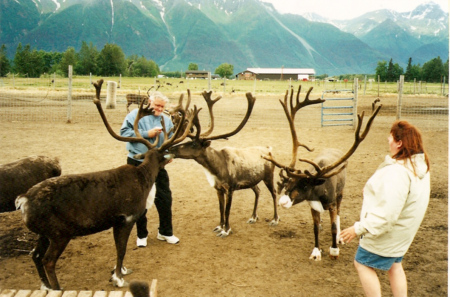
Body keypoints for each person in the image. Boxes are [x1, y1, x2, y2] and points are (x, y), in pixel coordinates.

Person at [340, 120, 430, 297]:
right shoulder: (419, 167)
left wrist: (357, 229)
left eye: (390, 137)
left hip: (388, 233)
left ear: (399, 142)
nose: (387, 140)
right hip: (403, 233)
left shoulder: (398, 173)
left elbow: (387, 214)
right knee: (395, 265)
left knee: (362, 263)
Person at [120, 91, 179, 246]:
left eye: (162, 106)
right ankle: (142, 235)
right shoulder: (135, 115)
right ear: (149, 102)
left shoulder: (166, 120)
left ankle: (165, 232)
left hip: (157, 164)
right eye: (157, 105)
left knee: (164, 197)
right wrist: (147, 133)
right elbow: (124, 133)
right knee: (139, 200)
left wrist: (169, 155)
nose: (159, 109)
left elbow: (171, 141)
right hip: (136, 162)